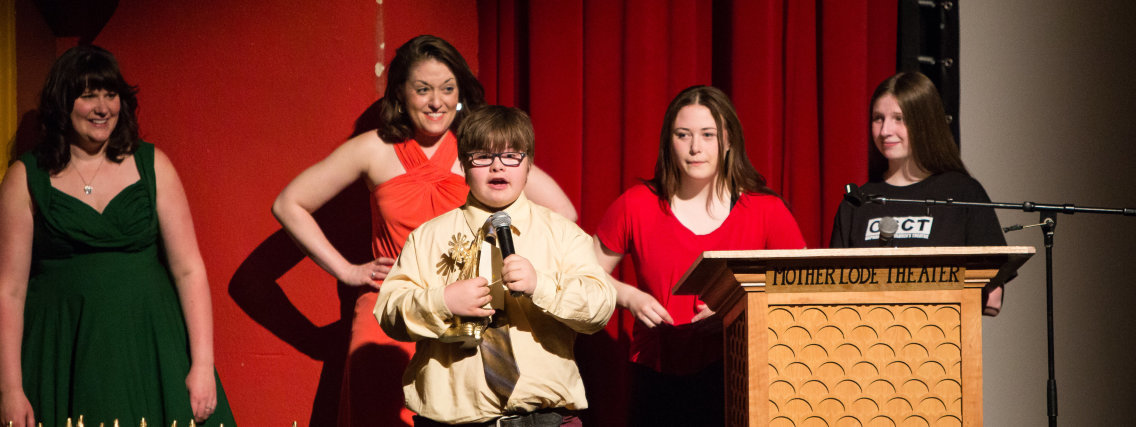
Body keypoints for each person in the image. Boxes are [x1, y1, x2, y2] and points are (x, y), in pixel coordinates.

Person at [271, 35, 577, 426]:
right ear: (401, 92)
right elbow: (288, 204)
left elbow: (562, 211)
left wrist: (509, 272)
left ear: (460, 91)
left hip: (466, 309)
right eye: (423, 89)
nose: (437, 101)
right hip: (392, 307)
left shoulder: (478, 148)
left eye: (447, 88)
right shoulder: (373, 149)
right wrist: (347, 271)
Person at [0, 45, 235, 426]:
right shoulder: (25, 179)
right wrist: (11, 389)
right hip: (61, 358)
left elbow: (190, 271)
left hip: (151, 355)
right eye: (89, 96)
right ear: (63, 103)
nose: (103, 107)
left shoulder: (154, 166)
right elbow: (9, 291)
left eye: (111, 94)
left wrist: (202, 364)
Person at [374, 105, 616, 426]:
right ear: (462, 165)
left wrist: (540, 285)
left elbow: (600, 306)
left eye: (511, 156)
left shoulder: (561, 234)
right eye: (482, 157)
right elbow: (390, 310)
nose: (497, 166)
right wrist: (443, 301)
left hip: (546, 419)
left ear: (528, 164)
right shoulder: (429, 237)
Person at [592, 85, 806, 426]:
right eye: (683, 135)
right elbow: (587, 272)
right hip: (655, 371)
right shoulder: (637, 203)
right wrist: (629, 296)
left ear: (729, 141)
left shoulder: (767, 210)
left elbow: (799, 287)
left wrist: (738, 302)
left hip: (739, 372)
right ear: (669, 141)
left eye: (708, 135)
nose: (696, 148)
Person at [828, 71, 1008, 315]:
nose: (885, 131)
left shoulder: (962, 192)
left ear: (924, 123)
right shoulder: (857, 202)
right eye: (878, 118)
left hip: (942, 342)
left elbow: (992, 296)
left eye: (899, 118)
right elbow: (833, 290)